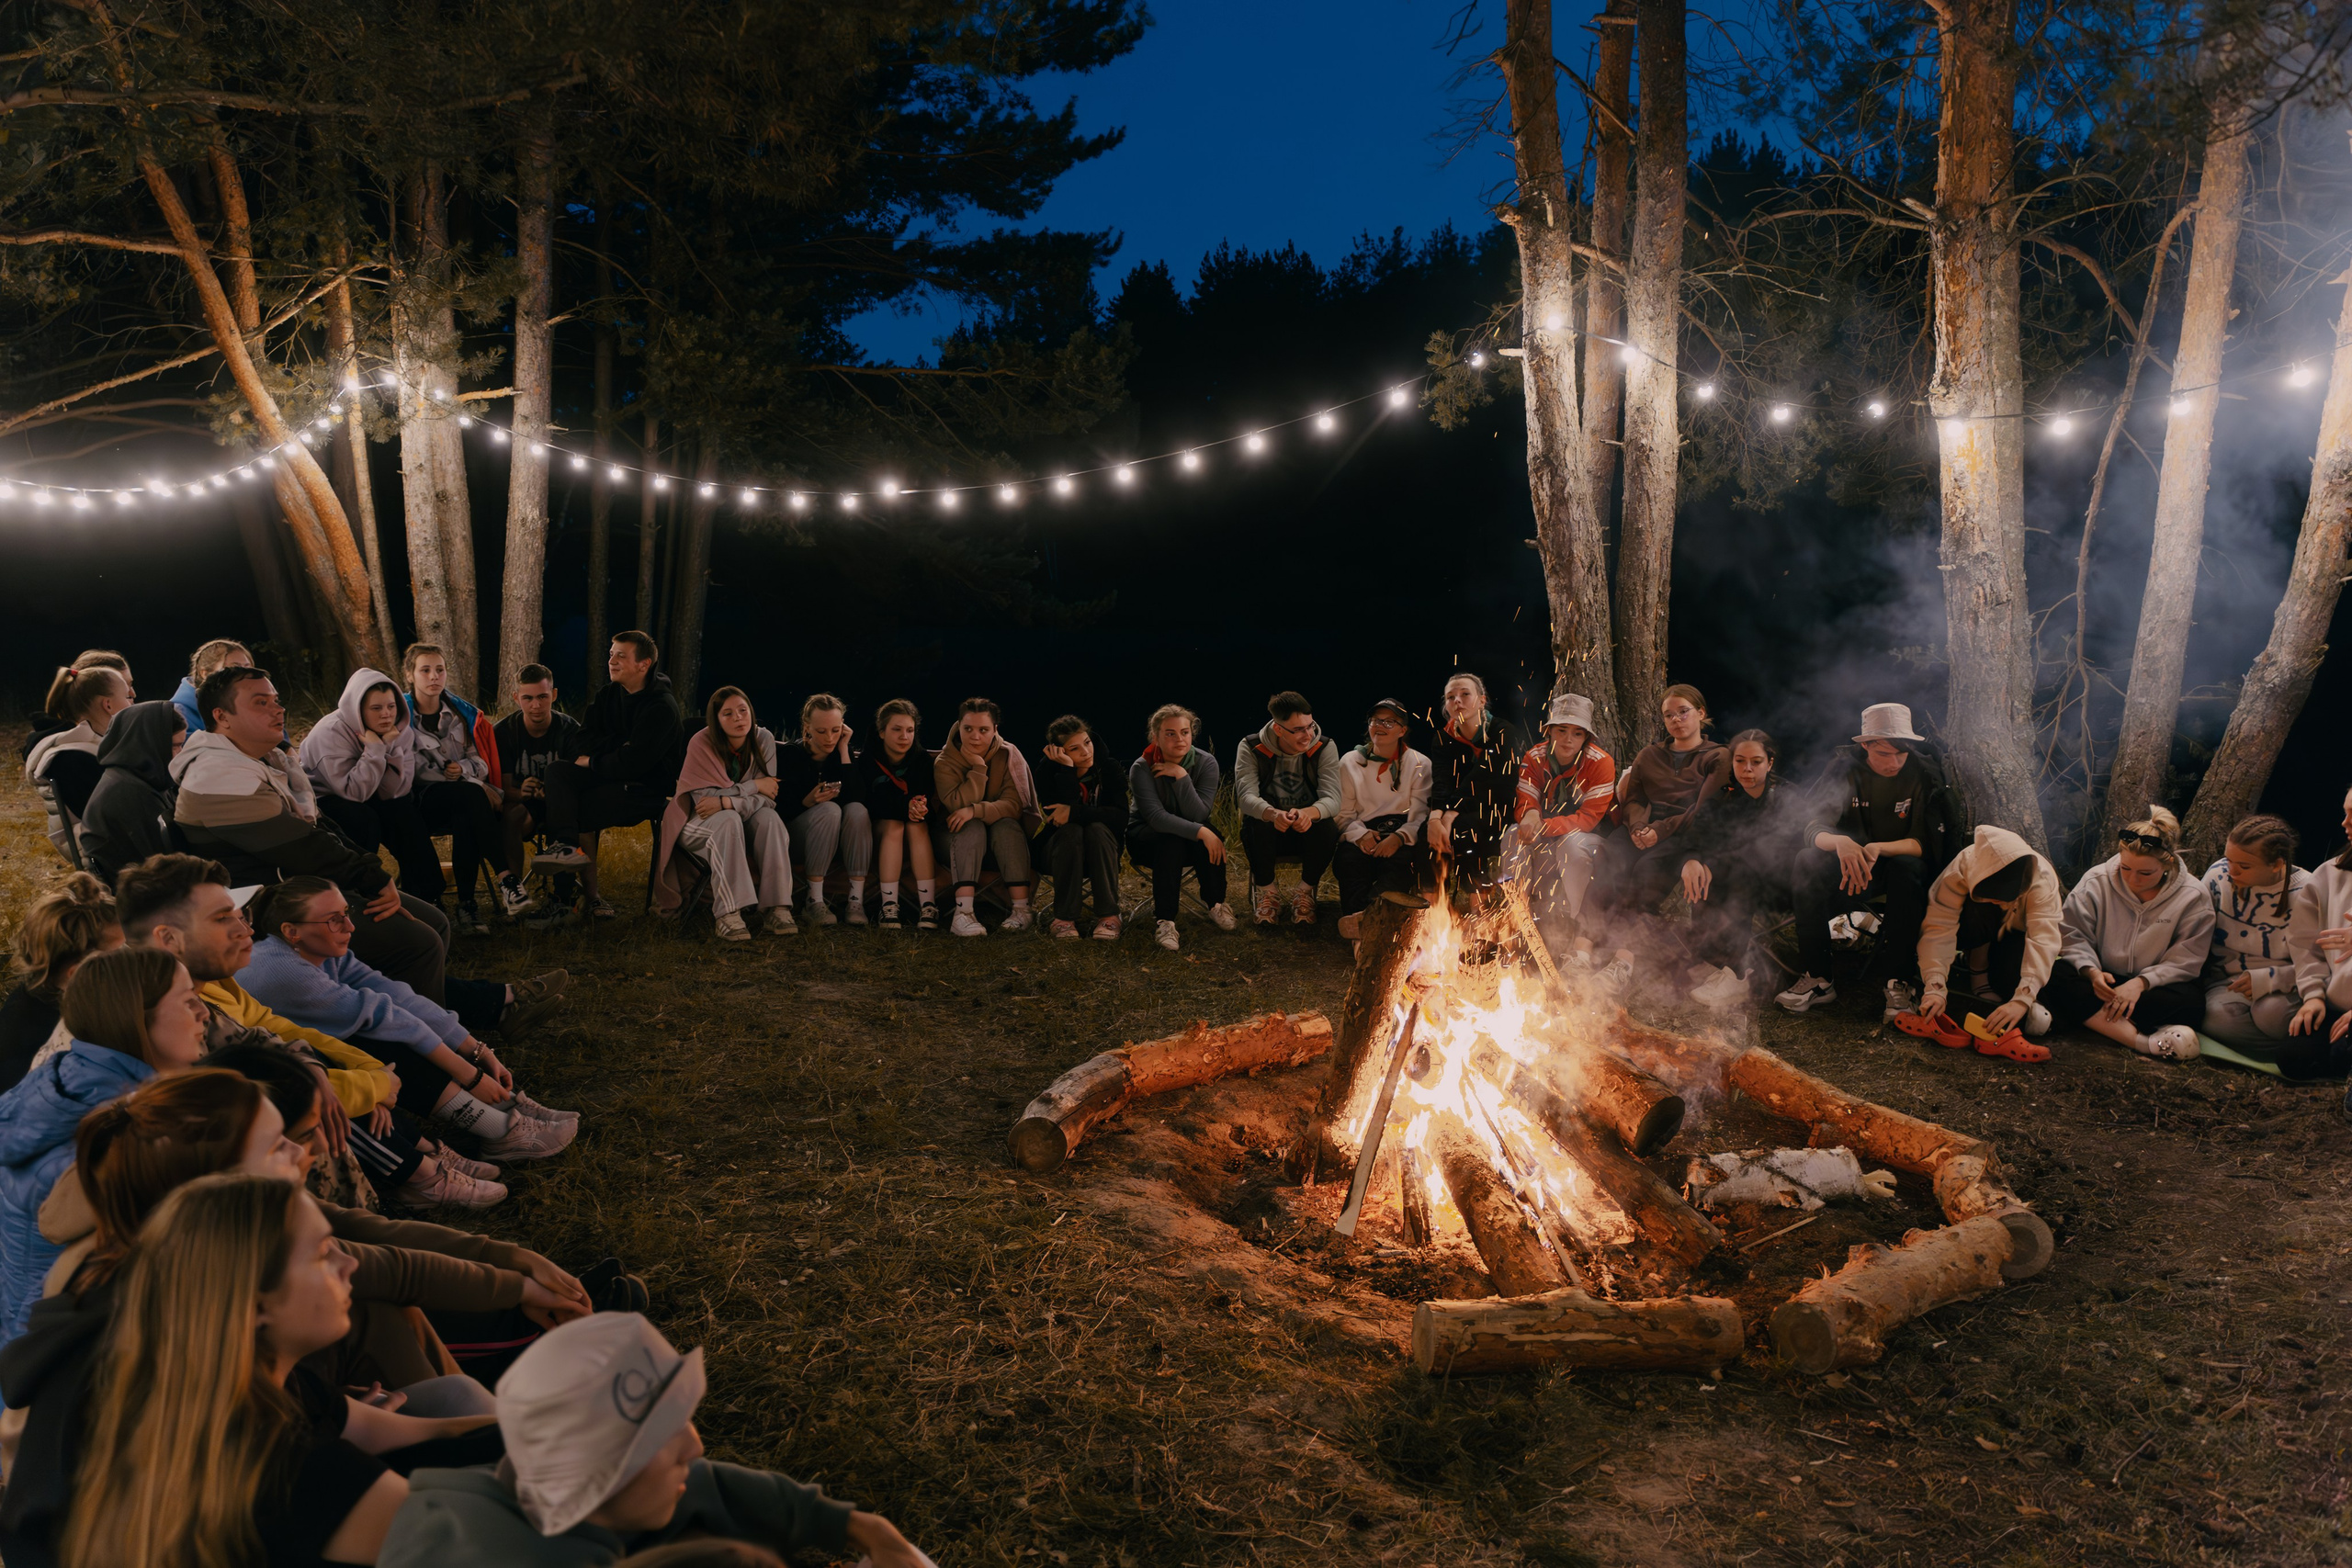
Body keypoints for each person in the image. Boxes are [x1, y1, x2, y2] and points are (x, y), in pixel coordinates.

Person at [56, 1173, 503, 1568]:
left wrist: (528, 1423)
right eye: (322, 1254)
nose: (349, 1264)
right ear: (255, 1307)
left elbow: (431, 1432)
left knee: (459, 1400)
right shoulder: (292, 1472)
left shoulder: (247, 1383)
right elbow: (487, 1541)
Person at [113, 852, 516, 1210]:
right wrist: (373, 1085)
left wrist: (370, 1071)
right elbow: (276, 1091)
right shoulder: (176, 1017)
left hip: (264, 1155)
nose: (246, 931)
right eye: (222, 919)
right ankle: (420, 1173)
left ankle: (431, 1147)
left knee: (331, 1051)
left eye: (240, 915)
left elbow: (275, 1027)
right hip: (236, 1190)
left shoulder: (210, 981)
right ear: (168, 939)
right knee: (314, 1096)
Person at [379, 1312, 930, 1568]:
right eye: (661, 1436)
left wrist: (863, 1528)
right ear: (599, 1476)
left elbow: (706, 1484)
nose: (695, 1446)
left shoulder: (531, 1491)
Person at [172, 662, 461, 1003]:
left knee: (434, 921)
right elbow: (301, 846)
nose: (278, 709)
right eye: (261, 703)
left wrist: (371, 872)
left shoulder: (262, 759)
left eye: (276, 700)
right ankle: (416, 1030)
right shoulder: (217, 773)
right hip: (262, 905)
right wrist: (371, 878)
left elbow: (322, 826)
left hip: (292, 884)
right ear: (222, 716)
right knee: (419, 941)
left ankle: (421, 1014)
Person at [243, 878, 579, 1165]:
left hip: (297, 1049)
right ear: (292, 931)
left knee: (398, 1023)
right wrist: (471, 1075)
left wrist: (476, 1049)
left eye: (346, 912)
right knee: (381, 1040)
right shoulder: (283, 971)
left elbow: (394, 993)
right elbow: (386, 1017)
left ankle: (508, 1104)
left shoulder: (307, 947)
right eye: (333, 920)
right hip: (263, 1072)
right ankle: (499, 1129)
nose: (350, 927)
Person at [0, 945, 207, 1345]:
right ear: (135, 1017)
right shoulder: (117, 1132)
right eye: (188, 1001)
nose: (205, 1013)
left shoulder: (64, 1082)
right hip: (68, 1356)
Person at [1775, 703, 1958, 1019]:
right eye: (1884, 754)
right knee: (1807, 860)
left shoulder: (1922, 772)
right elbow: (1813, 828)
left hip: (1894, 866)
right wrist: (1841, 843)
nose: (1894, 762)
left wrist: (1876, 848)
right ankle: (1818, 978)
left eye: (1901, 753)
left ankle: (1898, 982)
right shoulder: (1844, 770)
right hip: (1846, 865)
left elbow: (1924, 843)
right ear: (1866, 745)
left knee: (1909, 868)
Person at [534, 633, 684, 920]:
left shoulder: (661, 707)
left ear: (643, 664)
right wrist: (620, 745)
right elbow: (582, 740)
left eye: (621, 656)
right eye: (611, 654)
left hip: (644, 791)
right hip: (611, 777)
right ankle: (565, 856)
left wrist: (596, 759)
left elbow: (634, 765)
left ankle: (565, 898)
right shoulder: (609, 695)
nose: (611, 661)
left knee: (572, 808)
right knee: (558, 771)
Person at [2045, 806, 2212, 1062]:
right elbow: (2072, 934)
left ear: (2168, 863)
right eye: (2125, 868)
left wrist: (2140, 984)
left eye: (2145, 873)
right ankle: (2142, 1041)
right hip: (2103, 981)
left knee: (2192, 1004)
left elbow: (2186, 959)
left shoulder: (2194, 896)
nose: (2133, 879)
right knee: (2053, 973)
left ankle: (2083, 1016)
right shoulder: (2096, 881)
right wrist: (2091, 972)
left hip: (2151, 988)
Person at [1905, 825, 2064, 1062]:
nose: (1998, 904)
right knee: (1973, 914)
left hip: (2017, 934)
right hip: (1971, 926)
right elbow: (1939, 925)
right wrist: (1935, 985)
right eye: (1992, 898)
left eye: (2002, 899)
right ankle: (1974, 965)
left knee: (2011, 981)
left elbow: (2043, 939)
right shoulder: (1960, 869)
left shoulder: (2042, 880)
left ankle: (1988, 971)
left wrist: (2023, 998)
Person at [652, 688, 796, 940]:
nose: (738, 717)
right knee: (728, 821)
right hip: (694, 821)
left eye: (743, 710)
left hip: (736, 816)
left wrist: (728, 801)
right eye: (728, 714)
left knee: (770, 819)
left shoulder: (764, 739)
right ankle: (728, 915)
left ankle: (777, 908)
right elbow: (705, 802)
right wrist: (753, 786)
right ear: (716, 720)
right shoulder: (701, 742)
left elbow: (767, 798)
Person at [402, 644, 523, 931]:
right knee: (470, 796)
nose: (434, 676)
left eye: (440, 670)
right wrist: (461, 779)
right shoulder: (401, 716)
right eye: (425, 670)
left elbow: (480, 763)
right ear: (409, 675)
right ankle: (505, 877)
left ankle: (467, 906)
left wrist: (464, 769)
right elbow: (410, 770)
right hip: (418, 803)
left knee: (466, 814)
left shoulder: (460, 715)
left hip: (463, 800)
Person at [1500, 694, 1619, 968]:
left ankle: (1582, 936)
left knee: (1570, 846)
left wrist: (1542, 826)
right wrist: (1530, 814)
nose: (1568, 740)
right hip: (1547, 833)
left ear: (1586, 737)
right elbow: (1526, 799)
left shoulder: (1600, 762)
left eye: (1577, 733)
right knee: (1512, 835)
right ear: (1549, 731)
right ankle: (1517, 921)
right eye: (1561, 730)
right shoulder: (1535, 757)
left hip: (1589, 838)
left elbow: (1589, 818)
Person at [1678, 728, 1798, 987]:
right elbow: (1696, 835)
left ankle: (1735, 973)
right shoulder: (1725, 795)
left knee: (1735, 875)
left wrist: (1719, 862)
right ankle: (1708, 961)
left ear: (1770, 763)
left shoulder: (1785, 797)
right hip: (1731, 875)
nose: (1747, 769)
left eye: (1756, 762)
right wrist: (1692, 860)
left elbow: (1779, 849)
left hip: (1781, 883)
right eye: (1740, 761)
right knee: (1704, 874)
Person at [1606, 684, 1730, 918]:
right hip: (1647, 827)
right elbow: (1634, 800)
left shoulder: (1718, 756)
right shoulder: (1650, 755)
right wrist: (1637, 827)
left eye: (1683, 711)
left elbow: (1705, 809)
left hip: (1687, 832)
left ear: (1700, 713)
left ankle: (1632, 936)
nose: (1676, 719)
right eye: (1669, 715)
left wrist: (1659, 831)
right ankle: (1589, 932)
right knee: (1611, 853)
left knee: (1647, 870)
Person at [1126, 705, 1237, 953]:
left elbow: (1199, 814)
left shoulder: (1206, 762)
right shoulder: (1141, 767)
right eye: (1170, 733)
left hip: (1187, 832)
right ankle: (1165, 920)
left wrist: (1181, 776)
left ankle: (1216, 904)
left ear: (1192, 733)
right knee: (1172, 841)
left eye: (1185, 732)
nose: (1180, 739)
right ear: (1155, 737)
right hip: (1145, 835)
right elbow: (1156, 818)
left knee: (1209, 836)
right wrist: (1202, 832)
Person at [2200, 814, 2312, 1057]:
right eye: (2228, 860)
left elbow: (2319, 962)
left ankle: (2303, 1053)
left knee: (2271, 1015)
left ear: (2277, 864)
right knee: (2215, 1019)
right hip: (2228, 983)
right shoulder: (2218, 877)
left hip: (2288, 985)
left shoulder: (2307, 892)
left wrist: (2269, 979)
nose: (2231, 871)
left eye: (2244, 866)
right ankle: (2289, 1055)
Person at [0, 875, 120, 1095]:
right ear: (77, 973)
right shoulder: (35, 1037)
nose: (133, 961)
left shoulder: (76, 997)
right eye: (120, 956)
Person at [1235, 691, 1342, 927]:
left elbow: (1333, 799)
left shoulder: (1324, 747)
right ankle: (1268, 893)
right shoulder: (1252, 747)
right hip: (1270, 831)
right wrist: (1272, 814)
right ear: (1278, 729)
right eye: (1298, 730)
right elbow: (1245, 797)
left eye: (1310, 725)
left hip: (1307, 831)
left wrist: (1308, 813)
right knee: (1255, 821)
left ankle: (1304, 892)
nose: (1308, 734)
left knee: (1327, 826)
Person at [932, 698, 1036, 937]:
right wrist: (978, 768)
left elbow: (1013, 806)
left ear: (995, 730)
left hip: (1000, 841)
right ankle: (963, 914)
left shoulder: (1008, 754)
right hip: (954, 840)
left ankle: (1022, 910)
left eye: (983, 730)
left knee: (1007, 824)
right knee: (972, 826)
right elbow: (957, 806)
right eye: (968, 728)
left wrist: (975, 810)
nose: (975, 737)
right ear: (959, 726)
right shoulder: (945, 761)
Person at [1331, 698, 1430, 941]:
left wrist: (1400, 837)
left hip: (1400, 833)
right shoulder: (1350, 762)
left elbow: (1420, 813)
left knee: (1399, 866)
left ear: (1402, 730)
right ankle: (1364, 926)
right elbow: (1344, 813)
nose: (1380, 726)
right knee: (1349, 862)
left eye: (1389, 722)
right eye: (1376, 720)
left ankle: (1366, 922)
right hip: (1364, 832)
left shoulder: (1419, 763)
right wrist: (1359, 835)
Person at [302, 665, 424, 860]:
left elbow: (395, 792)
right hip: (325, 797)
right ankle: (364, 877)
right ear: (358, 709)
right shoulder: (330, 732)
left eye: (391, 706)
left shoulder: (400, 732)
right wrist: (375, 750)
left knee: (402, 812)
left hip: (368, 790)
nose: (386, 714)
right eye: (376, 708)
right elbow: (353, 793)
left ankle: (424, 879)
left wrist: (386, 747)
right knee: (362, 819)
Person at [773, 694, 872, 926]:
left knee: (857, 810)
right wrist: (806, 802)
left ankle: (855, 901)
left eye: (836, 730)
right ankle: (814, 900)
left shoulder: (841, 754)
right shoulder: (791, 754)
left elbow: (858, 798)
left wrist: (844, 749)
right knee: (829, 810)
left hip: (838, 841)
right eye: (821, 731)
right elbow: (777, 811)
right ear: (807, 728)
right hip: (797, 840)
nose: (830, 738)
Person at [492, 664, 584, 906]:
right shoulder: (503, 732)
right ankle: (515, 894)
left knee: (577, 816)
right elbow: (502, 789)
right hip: (523, 804)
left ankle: (579, 895)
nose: (536, 705)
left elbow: (579, 781)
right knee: (511, 815)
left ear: (553, 694)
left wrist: (553, 792)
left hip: (563, 805)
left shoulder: (570, 730)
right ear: (516, 698)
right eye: (528, 698)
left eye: (543, 697)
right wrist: (521, 792)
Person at [25, 664, 133, 864]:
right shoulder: (74, 759)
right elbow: (117, 821)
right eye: (127, 697)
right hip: (112, 861)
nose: (132, 702)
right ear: (108, 705)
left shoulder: (92, 749)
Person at [1426, 672, 1521, 893]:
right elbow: (1441, 780)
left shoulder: (1502, 730)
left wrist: (1451, 812)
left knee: (1463, 827)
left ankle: (1477, 901)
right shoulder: (1443, 738)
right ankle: (1432, 901)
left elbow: (1490, 777)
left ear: (1481, 700)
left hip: (1500, 809)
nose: (1457, 701)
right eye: (1451, 697)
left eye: (1465, 694)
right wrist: (1435, 817)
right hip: (1461, 808)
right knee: (1428, 833)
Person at [1035, 715, 1127, 941]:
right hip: (1061, 851)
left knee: (1096, 828)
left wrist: (1074, 812)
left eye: (1087, 742)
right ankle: (1064, 918)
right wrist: (1067, 769)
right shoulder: (1047, 772)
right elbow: (1059, 820)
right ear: (1060, 752)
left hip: (1103, 850)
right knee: (1071, 831)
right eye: (1074, 749)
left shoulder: (1109, 768)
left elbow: (1120, 817)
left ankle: (1109, 915)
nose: (1086, 752)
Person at [75, 700, 186, 885]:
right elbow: (164, 866)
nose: (180, 754)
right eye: (174, 746)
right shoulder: (129, 793)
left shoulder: (144, 778)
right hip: (138, 892)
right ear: (149, 744)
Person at [854, 700, 939, 931]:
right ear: (882, 732)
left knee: (916, 824)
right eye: (897, 729)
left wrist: (920, 807)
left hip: (914, 829)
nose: (904, 736)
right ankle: (889, 905)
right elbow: (871, 804)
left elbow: (925, 797)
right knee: (895, 825)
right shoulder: (868, 760)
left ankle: (928, 905)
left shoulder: (922, 760)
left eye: (910, 730)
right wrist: (905, 807)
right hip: (879, 829)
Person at [2290, 784, 2352, 1078]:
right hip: (2336, 1003)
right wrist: (2313, 995)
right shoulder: (2330, 874)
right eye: (2345, 812)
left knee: (2342, 1056)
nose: (2345, 822)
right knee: (2294, 1059)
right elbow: (2305, 943)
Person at [168, 636, 250, 736]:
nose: (244, 675)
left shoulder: (247, 704)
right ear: (205, 674)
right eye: (234, 668)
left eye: (248, 668)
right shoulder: (178, 714)